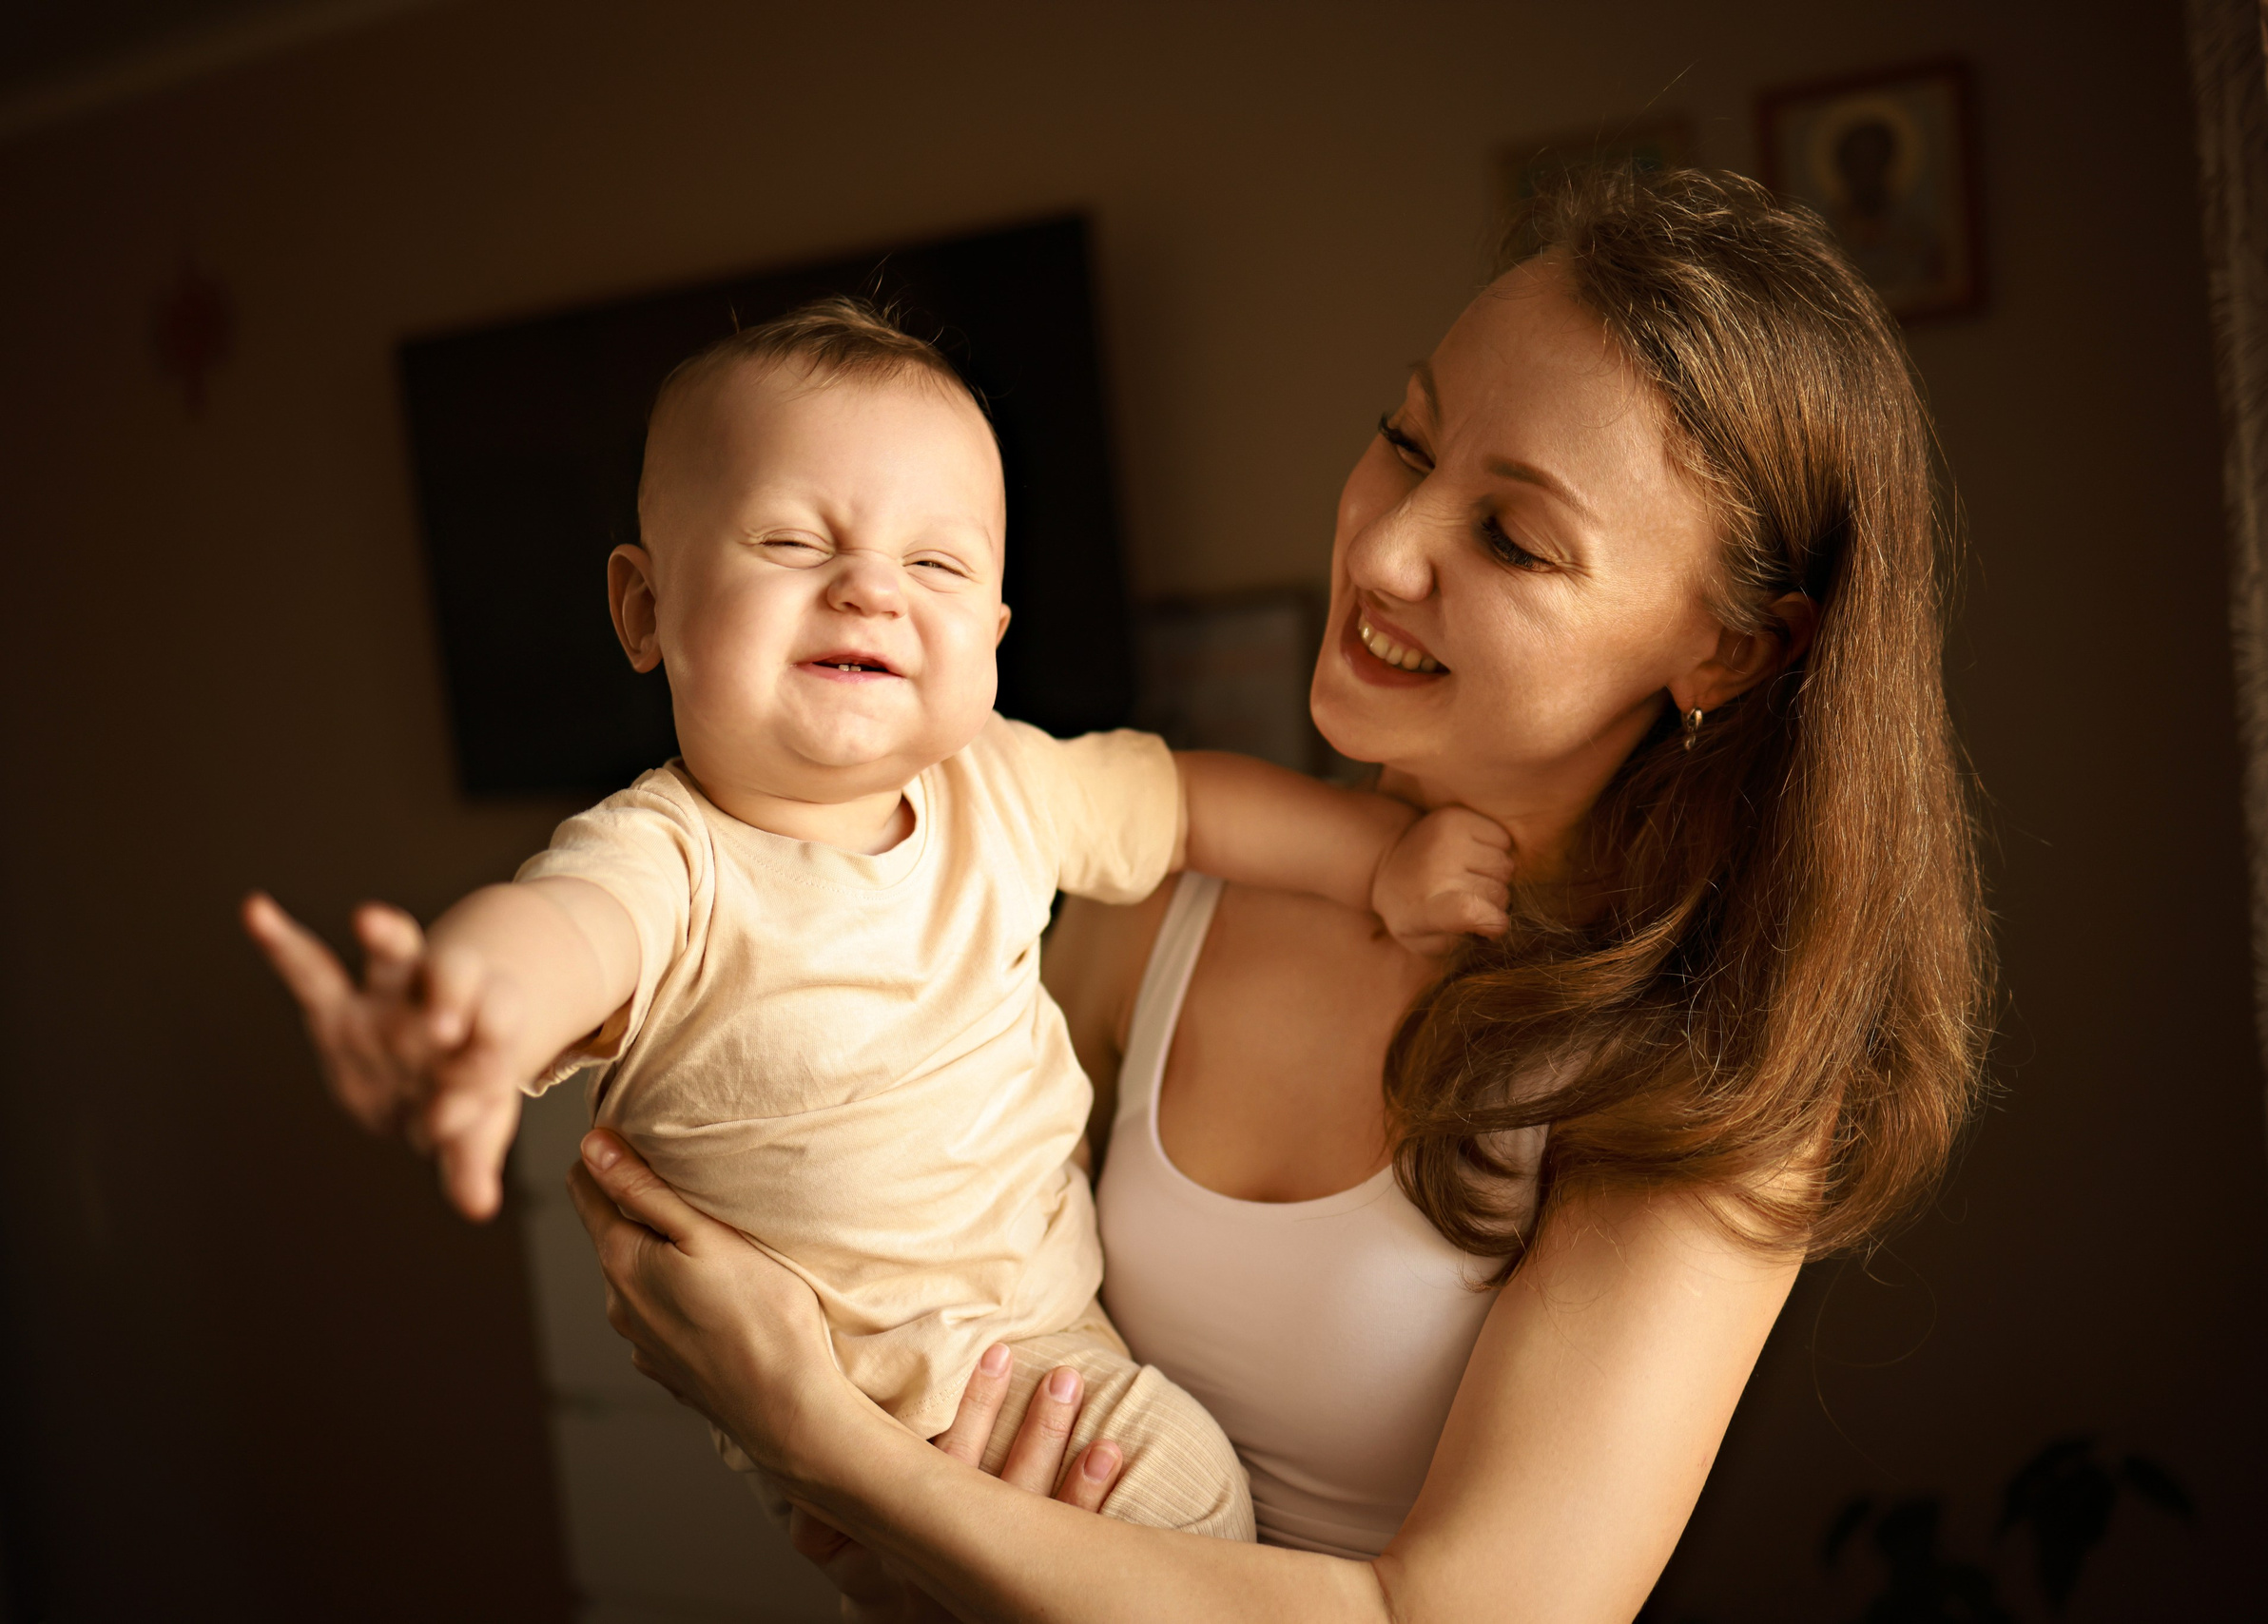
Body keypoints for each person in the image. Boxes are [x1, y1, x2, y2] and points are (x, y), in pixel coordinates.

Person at [571, 165, 1991, 1620]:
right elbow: (937, 1297)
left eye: (1512, 537)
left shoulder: (1705, 1076)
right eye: (1404, 437)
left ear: (1730, 654)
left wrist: (835, 1448)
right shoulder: (1166, 896)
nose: (1379, 549)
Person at [241, 298, 1516, 1542]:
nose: (869, 590)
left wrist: (1381, 864)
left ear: (994, 638)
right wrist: (465, 1012)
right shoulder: (670, 861)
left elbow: (1186, 807)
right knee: (1187, 1502)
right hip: (872, 1389)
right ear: (643, 608)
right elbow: (562, 934)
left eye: (937, 563)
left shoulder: (1001, 785)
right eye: (793, 544)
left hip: (1045, 1347)